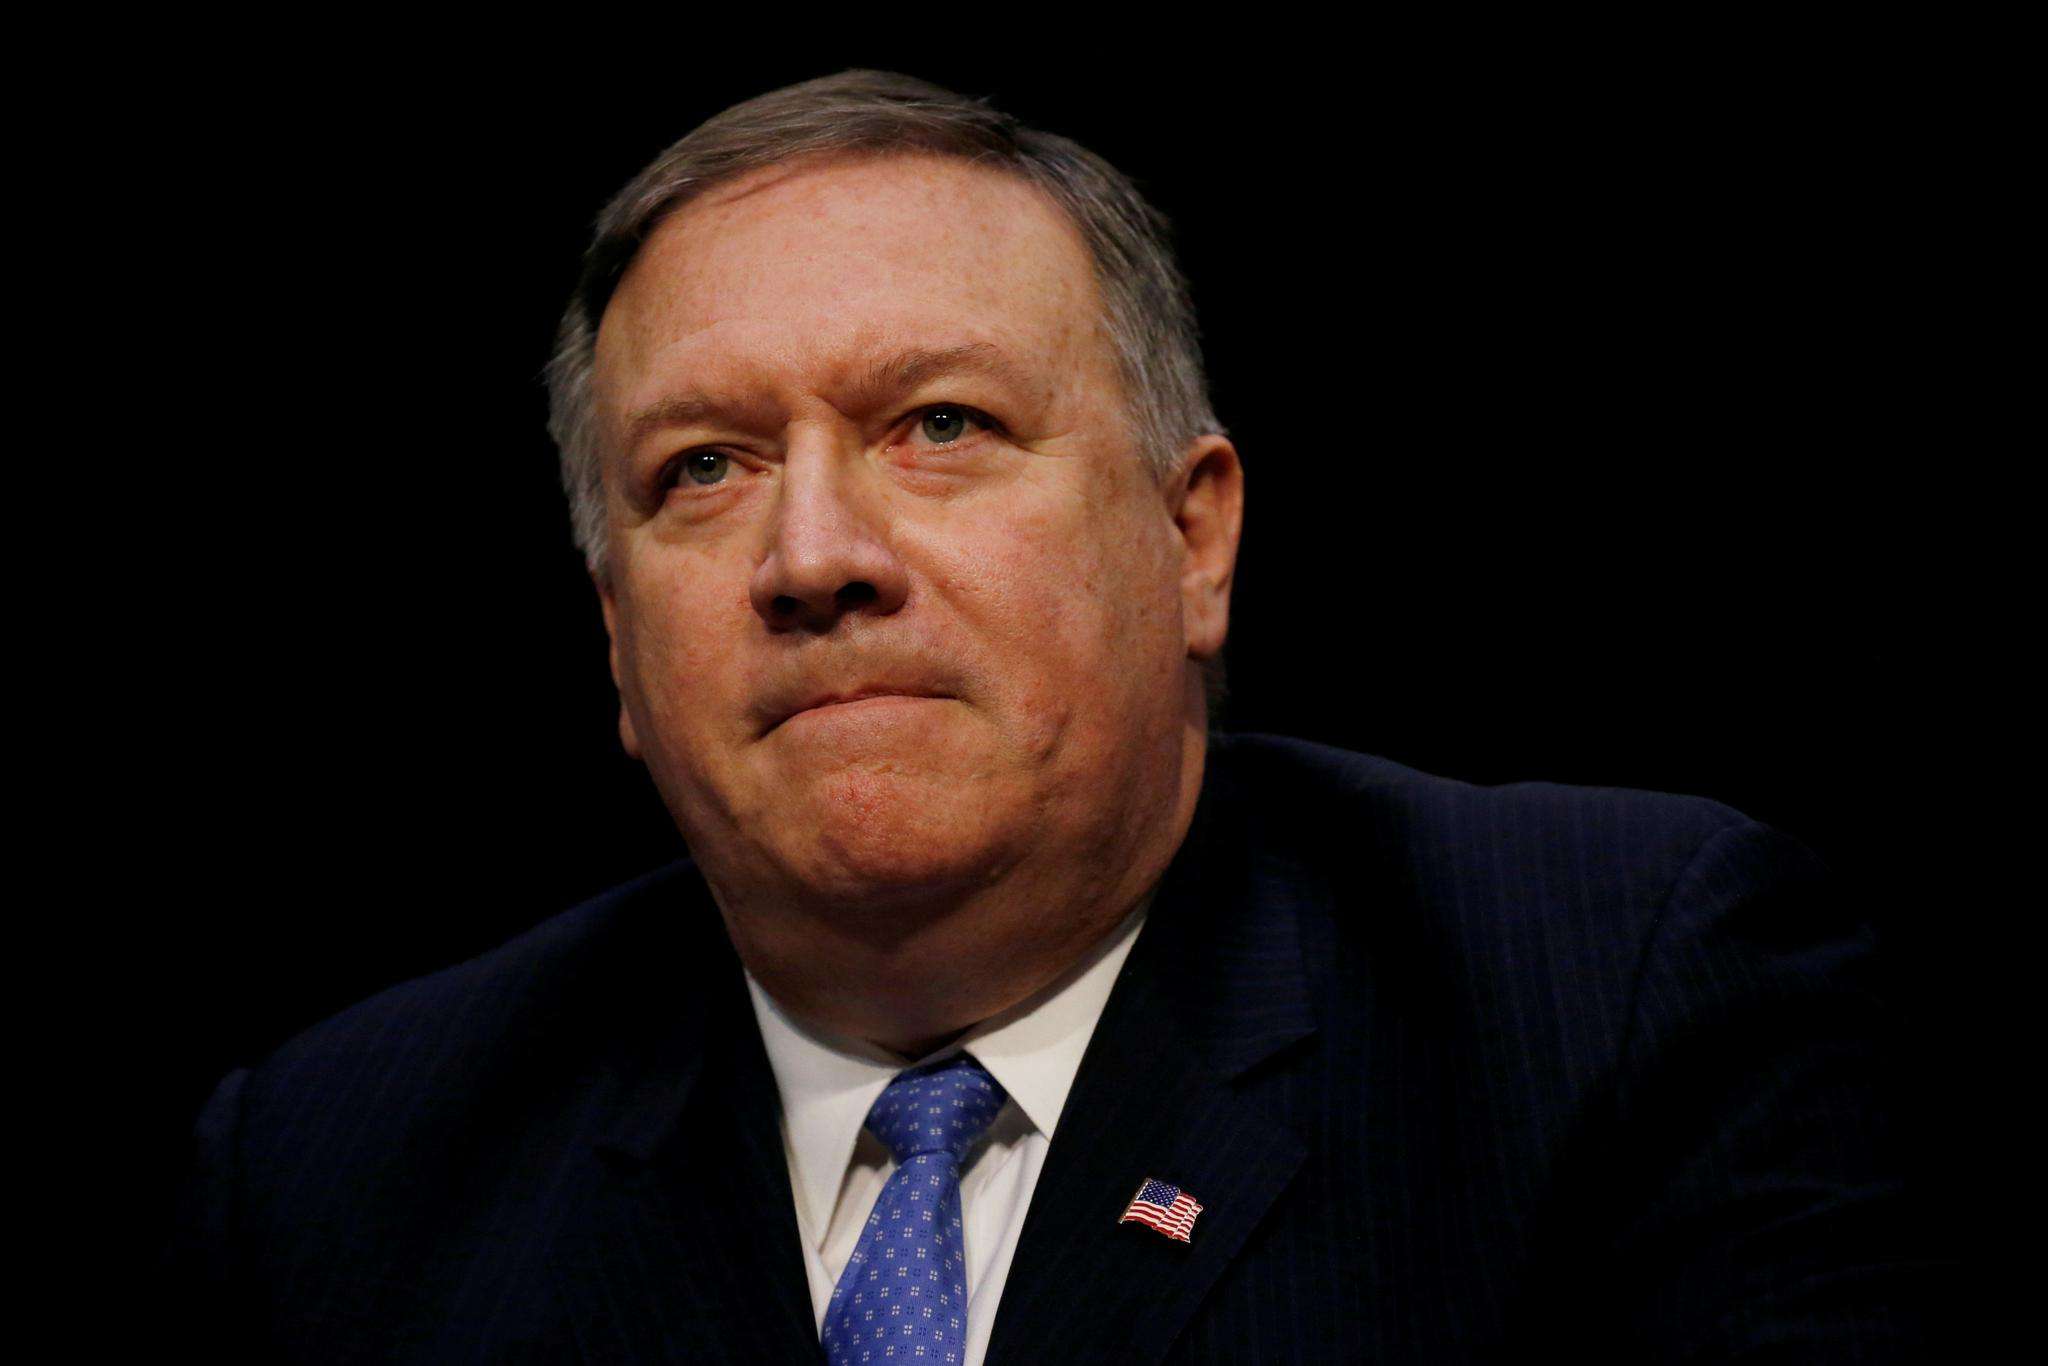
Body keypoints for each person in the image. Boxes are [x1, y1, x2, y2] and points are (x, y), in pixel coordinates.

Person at [168, 70, 1941, 1361]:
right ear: (619, 640)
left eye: (938, 426)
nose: (814, 555)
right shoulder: (342, 1173)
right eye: (703, 467)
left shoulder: (1609, 1004)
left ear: (1191, 538)